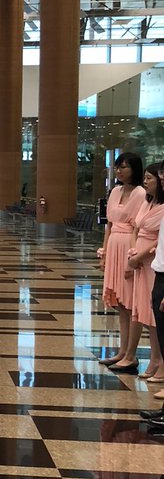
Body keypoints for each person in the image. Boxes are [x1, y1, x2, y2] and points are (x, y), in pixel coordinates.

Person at [98, 152, 146, 371]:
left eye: (124, 167)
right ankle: (122, 350)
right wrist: (104, 253)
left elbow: (138, 227)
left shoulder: (140, 193)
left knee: (131, 302)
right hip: (115, 243)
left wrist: (132, 258)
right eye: (117, 167)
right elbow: (108, 225)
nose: (119, 171)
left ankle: (131, 353)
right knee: (120, 304)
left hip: (128, 245)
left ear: (134, 169)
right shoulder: (115, 191)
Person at [123, 163, 164, 382]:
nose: (146, 182)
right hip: (139, 259)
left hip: (152, 262)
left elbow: (160, 240)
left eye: (150, 178)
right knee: (146, 312)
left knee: (155, 313)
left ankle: (158, 359)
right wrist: (133, 252)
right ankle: (154, 357)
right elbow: (136, 228)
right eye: (146, 178)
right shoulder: (147, 203)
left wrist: (140, 256)